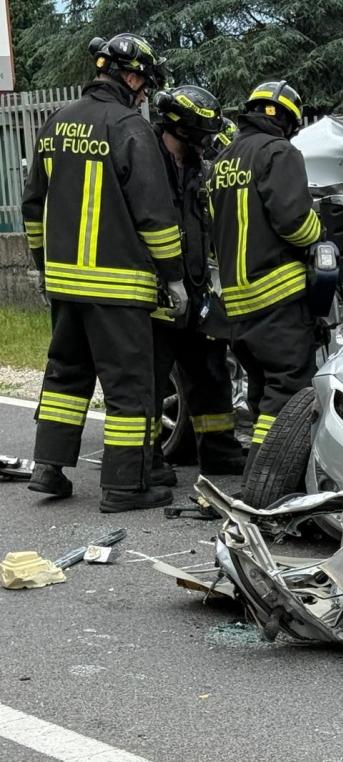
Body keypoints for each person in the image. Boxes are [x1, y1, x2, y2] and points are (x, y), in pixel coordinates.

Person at [21, 33, 183, 512]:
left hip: (65, 285)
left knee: (66, 377)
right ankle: (124, 488)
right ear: (130, 77)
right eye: (144, 86)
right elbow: (155, 214)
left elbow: (33, 208)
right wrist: (173, 276)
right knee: (129, 388)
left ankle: (48, 470)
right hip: (119, 286)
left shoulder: (54, 123)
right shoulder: (129, 128)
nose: (144, 96)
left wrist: (44, 267)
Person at [209, 80, 322, 479]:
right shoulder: (280, 152)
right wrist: (318, 233)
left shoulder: (223, 160)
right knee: (288, 392)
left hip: (238, 304)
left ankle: (255, 473)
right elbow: (295, 222)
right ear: (288, 121)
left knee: (260, 392)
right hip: (278, 294)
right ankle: (267, 482)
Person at [150, 85, 246, 483]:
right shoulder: (146, 163)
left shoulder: (198, 168)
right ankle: (146, 461)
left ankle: (219, 453)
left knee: (210, 371)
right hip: (153, 292)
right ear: (182, 128)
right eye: (203, 134)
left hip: (194, 288)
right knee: (150, 382)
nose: (208, 143)